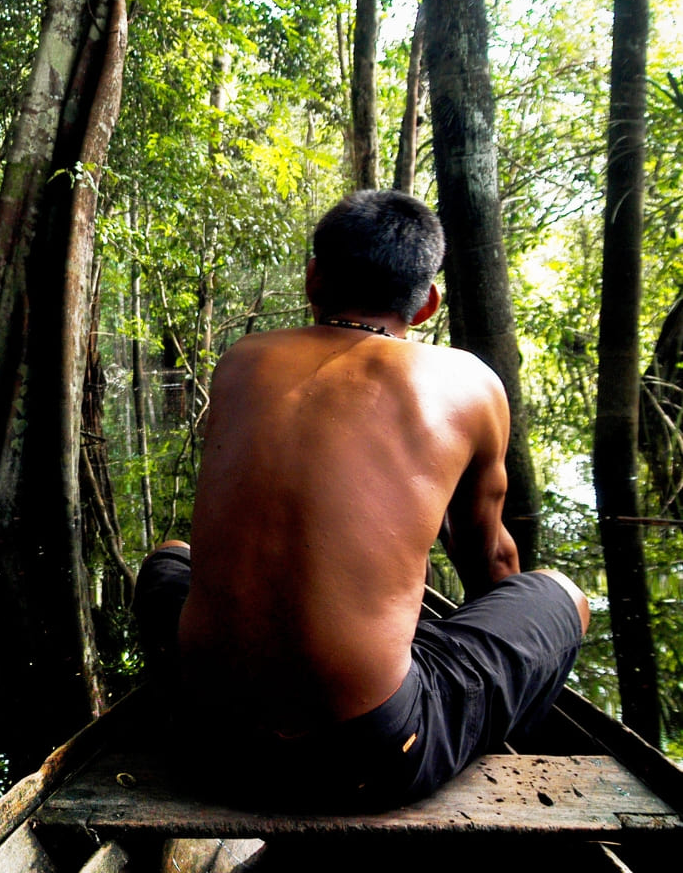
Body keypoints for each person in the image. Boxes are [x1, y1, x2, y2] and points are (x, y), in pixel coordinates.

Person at [133, 189, 589, 811]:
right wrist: (502, 647)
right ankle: (507, 736)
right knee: (561, 595)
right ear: (426, 304)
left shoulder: (241, 361)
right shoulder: (470, 383)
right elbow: (490, 563)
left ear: (314, 276)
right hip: (367, 760)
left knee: (170, 559)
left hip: (208, 740)